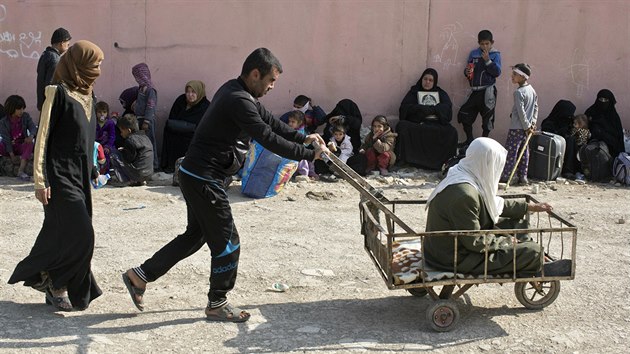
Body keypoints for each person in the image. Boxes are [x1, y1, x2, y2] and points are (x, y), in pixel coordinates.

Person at [121, 48, 327, 322]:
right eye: (270, 81)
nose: (272, 86)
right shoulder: (237, 100)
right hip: (204, 178)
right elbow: (266, 137)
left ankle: (140, 276)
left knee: (196, 235)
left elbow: (270, 122)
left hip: (196, 175)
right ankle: (217, 302)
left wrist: (304, 138)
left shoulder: (239, 93)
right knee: (228, 241)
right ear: (255, 74)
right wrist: (308, 154)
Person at [8, 40, 104, 311]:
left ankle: (51, 281)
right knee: (83, 234)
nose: (98, 68)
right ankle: (57, 283)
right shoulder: (57, 92)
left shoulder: (89, 94)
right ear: (79, 63)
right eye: (94, 63)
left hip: (81, 175)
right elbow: (43, 137)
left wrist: (94, 167)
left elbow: (87, 137)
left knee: (61, 233)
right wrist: (41, 180)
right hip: (59, 175)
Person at [424, 137, 566, 276]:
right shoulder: (465, 196)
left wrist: (531, 207)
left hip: (453, 246)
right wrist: (507, 241)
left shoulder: (463, 173)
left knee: (518, 225)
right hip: (453, 257)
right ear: (487, 163)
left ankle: (527, 253)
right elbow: (474, 241)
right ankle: (533, 259)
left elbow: (492, 203)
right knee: (533, 251)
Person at [396, 68, 457, 169]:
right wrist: (420, 109)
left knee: (452, 132)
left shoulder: (440, 93)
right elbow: (404, 108)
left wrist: (433, 109)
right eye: (425, 79)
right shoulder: (414, 91)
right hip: (418, 123)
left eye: (430, 80)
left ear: (435, 81)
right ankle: (406, 160)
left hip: (436, 123)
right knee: (402, 126)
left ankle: (446, 163)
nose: (427, 82)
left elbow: (447, 109)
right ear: (421, 79)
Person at [457, 30, 502, 147]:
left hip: (488, 90)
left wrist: (488, 60)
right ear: (479, 43)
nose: (485, 46)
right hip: (475, 90)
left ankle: (483, 144)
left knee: (487, 118)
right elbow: (469, 69)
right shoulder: (474, 54)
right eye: (482, 44)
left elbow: (497, 72)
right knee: (465, 113)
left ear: (492, 43)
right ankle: (470, 141)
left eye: (487, 44)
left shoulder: (495, 54)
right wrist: (466, 72)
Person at [160, 80, 210, 172]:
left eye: (193, 92)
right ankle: (170, 164)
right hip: (177, 132)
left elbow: (204, 127)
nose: (190, 95)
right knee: (169, 131)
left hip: (193, 136)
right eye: (188, 92)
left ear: (199, 92)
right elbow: (172, 118)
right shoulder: (181, 101)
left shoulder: (205, 106)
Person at [500, 63, 538, 185]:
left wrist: (527, 126)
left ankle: (507, 176)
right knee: (524, 152)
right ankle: (523, 177)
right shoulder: (532, 90)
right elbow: (536, 108)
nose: (512, 76)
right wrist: (532, 123)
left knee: (511, 152)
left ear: (523, 77)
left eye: (515, 74)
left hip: (517, 127)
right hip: (526, 128)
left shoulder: (518, 92)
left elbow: (521, 112)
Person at [110, 114, 154, 187]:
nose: (121, 134)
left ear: (129, 130)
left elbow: (129, 159)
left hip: (138, 174)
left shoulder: (130, 140)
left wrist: (123, 151)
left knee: (114, 154)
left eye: (121, 131)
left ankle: (125, 180)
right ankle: (141, 181)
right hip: (148, 174)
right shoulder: (145, 137)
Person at [0, 95, 37, 180]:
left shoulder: (25, 117)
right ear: (12, 109)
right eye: (19, 109)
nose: (22, 111)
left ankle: (21, 170)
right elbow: (6, 140)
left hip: (21, 146)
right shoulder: (3, 122)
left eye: (23, 108)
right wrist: (12, 155)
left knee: (29, 143)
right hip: (8, 147)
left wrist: (31, 136)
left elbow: (33, 127)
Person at [36, 27, 71, 111]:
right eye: (67, 44)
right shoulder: (55, 59)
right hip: (50, 105)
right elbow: (51, 85)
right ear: (62, 43)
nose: (68, 47)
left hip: (44, 103)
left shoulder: (45, 55)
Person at [131, 63, 159, 171]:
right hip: (140, 119)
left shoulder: (150, 90)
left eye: (137, 76)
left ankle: (154, 165)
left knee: (150, 143)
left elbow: (151, 106)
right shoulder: (141, 88)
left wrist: (146, 121)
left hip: (147, 121)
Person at [584, 89, 625, 158]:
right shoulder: (590, 112)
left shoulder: (614, 117)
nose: (603, 102)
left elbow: (618, 137)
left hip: (609, 150)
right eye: (601, 99)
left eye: (605, 100)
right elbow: (584, 128)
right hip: (591, 146)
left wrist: (603, 135)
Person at [286, 110, 317, 180]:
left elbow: (304, 143)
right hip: (294, 150)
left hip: (301, 151)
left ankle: (304, 174)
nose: (290, 124)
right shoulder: (291, 130)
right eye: (289, 121)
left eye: (293, 122)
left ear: (299, 123)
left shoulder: (301, 132)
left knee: (303, 161)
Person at [95, 101, 116, 174]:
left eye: (104, 112)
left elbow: (112, 136)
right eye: (99, 112)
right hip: (97, 145)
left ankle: (106, 173)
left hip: (107, 145)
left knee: (106, 156)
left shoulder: (110, 123)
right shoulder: (94, 122)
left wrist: (108, 146)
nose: (102, 114)